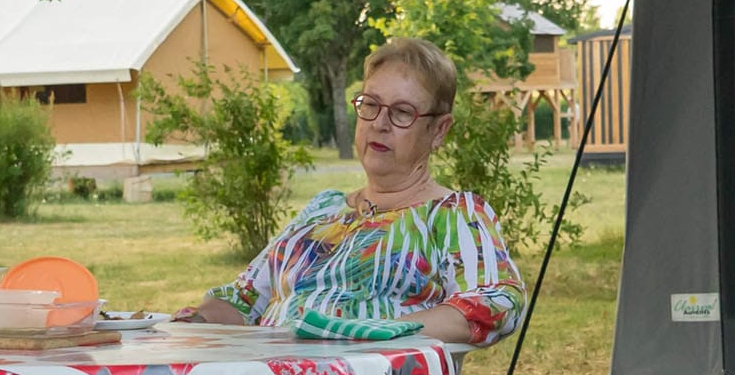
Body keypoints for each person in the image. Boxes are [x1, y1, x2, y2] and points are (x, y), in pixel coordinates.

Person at [189, 36, 528, 343]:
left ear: (439, 131)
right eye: (370, 105)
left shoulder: (453, 215)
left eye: (402, 112)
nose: (379, 123)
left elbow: (498, 301)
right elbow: (243, 299)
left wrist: (378, 331)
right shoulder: (324, 209)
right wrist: (187, 324)